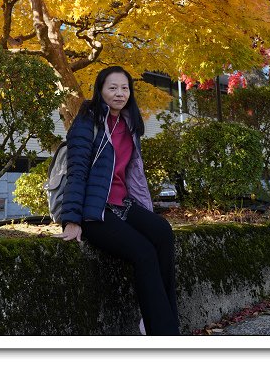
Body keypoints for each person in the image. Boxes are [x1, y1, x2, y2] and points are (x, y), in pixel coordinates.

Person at [60, 65, 180, 336]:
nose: (119, 93)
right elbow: (77, 170)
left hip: (121, 205)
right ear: (100, 90)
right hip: (95, 212)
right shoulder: (86, 122)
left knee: (163, 232)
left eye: (125, 88)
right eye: (112, 88)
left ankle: (162, 319)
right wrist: (71, 220)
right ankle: (163, 334)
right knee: (144, 252)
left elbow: (133, 174)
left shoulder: (129, 124)